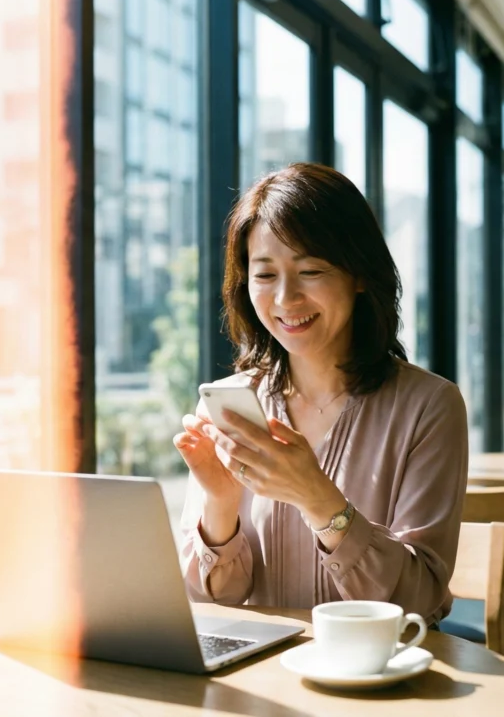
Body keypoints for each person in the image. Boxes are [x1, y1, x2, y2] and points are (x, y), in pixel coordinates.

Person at [174, 163, 467, 624]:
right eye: (265, 275)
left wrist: (317, 498)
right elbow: (211, 602)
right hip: (265, 668)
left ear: (359, 274)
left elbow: (420, 600)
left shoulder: (429, 407)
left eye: (310, 270)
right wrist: (221, 505)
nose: (285, 299)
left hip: (379, 666)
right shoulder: (229, 403)